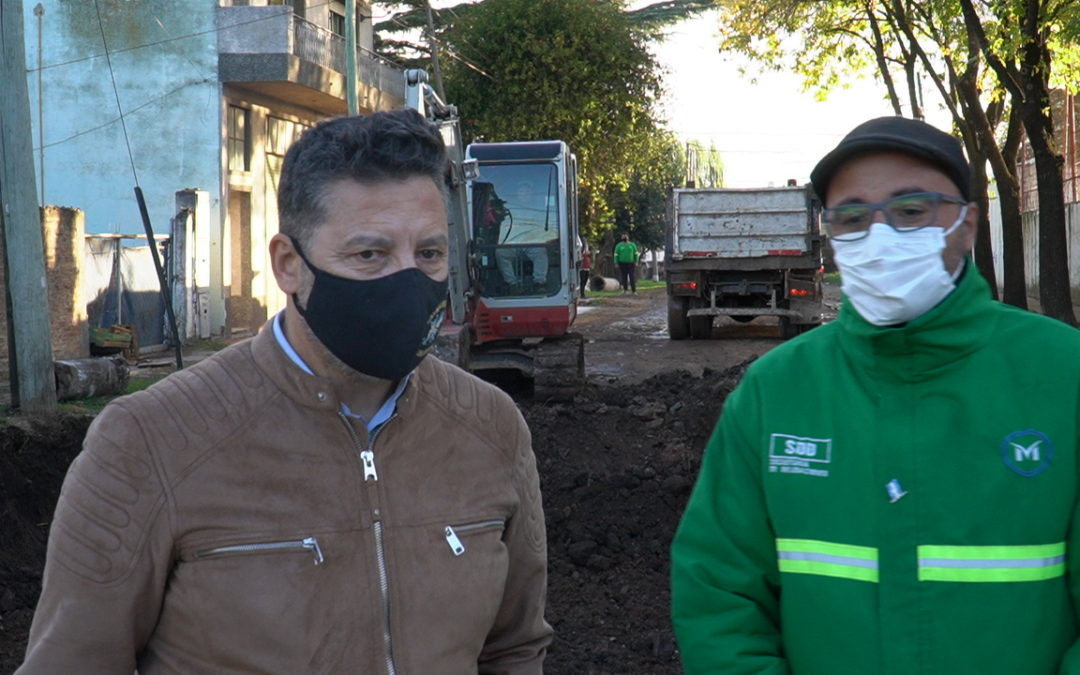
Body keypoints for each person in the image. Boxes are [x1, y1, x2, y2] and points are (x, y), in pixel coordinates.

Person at [18, 110, 552, 674]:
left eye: (429, 254)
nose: (407, 282)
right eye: (369, 255)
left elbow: (514, 650)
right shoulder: (148, 441)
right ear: (289, 265)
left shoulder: (491, 427)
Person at [671, 116, 1080, 674]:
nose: (880, 237)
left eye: (911, 211)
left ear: (967, 225)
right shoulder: (774, 392)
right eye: (853, 217)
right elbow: (718, 598)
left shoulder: (1064, 375)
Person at [494, 179, 553, 293]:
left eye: (527, 191)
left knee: (540, 252)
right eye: (522, 191)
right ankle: (511, 284)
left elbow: (544, 229)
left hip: (533, 243)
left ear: (532, 194)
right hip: (513, 244)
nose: (525, 194)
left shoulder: (539, 209)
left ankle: (539, 282)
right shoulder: (510, 208)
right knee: (500, 253)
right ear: (517, 194)